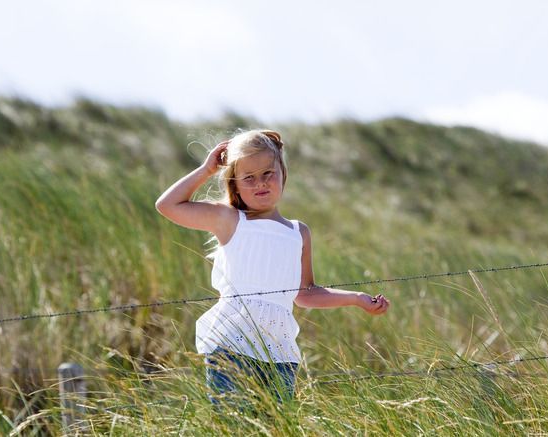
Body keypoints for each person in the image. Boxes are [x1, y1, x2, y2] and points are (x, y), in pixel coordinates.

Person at [155, 129, 390, 404]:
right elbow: (167, 205)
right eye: (249, 178)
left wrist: (357, 299)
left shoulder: (297, 232)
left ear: (283, 173)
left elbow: (304, 293)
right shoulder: (230, 220)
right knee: (235, 428)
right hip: (232, 348)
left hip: (279, 355)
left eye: (268, 173)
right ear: (235, 184)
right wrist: (206, 170)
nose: (260, 183)